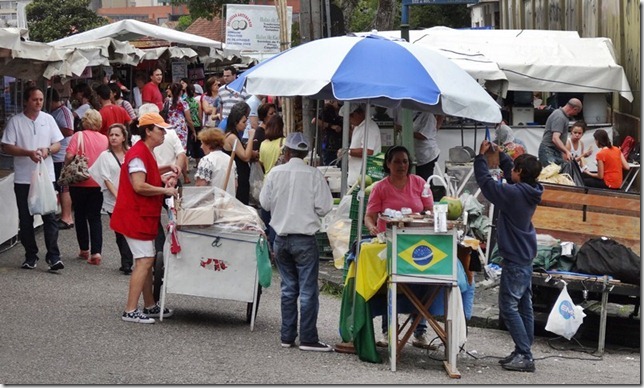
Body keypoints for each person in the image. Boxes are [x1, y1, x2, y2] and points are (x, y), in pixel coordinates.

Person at [259, 131, 334, 351]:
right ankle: (308, 338)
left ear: (287, 151)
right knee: (308, 289)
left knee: (288, 288)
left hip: (280, 238)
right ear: (304, 153)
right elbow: (325, 207)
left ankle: (287, 336)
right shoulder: (314, 174)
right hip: (304, 238)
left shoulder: (274, 173)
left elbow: (265, 203)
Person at [474, 141, 543, 373]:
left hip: (515, 257)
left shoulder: (514, 194)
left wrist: (481, 158)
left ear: (520, 173)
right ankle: (521, 350)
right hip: (524, 254)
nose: (510, 170)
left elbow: (487, 185)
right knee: (524, 305)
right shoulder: (531, 190)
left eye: (514, 168)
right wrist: (501, 154)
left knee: (508, 306)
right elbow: (509, 172)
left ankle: (525, 354)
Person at [111, 112, 180, 324]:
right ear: (148, 131)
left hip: (140, 214)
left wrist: (166, 169)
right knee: (144, 260)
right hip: (135, 215)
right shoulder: (139, 153)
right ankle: (130, 310)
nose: (164, 133)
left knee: (147, 260)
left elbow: (145, 174)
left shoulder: (144, 151)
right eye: (160, 129)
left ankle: (149, 306)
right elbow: (139, 185)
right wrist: (164, 190)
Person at [364, 145, 434, 347]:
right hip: (390, 242)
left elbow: (430, 211)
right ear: (388, 164)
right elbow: (370, 217)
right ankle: (388, 332)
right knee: (390, 284)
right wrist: (372, 228)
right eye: (397, 161)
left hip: (417, 243)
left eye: (405, 161)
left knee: (421, 282)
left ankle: (419, 332)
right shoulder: (380, 187)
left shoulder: (419, 183)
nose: (402, 165)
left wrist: (422, 217)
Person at [1, 86, 64, 271]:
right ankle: (30, 255)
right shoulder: (16, 121)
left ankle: (54, 256)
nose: (38, 103)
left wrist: (47, 150)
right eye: (35, 99)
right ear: (26, 101)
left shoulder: (48, 119)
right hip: (23, 177)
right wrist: (27, 153)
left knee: (49, 215)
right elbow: (6, 146)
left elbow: (57, 144)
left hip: (46, 175)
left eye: (41, 99)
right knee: (26, 218)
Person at [88, 123, 134, 274]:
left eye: (117, 135)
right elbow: (106, 179)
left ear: (123, 137)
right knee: (120, 230)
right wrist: (118, 196)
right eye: (111, 135)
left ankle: (127, 262)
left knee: (128, 228)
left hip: (131, 197)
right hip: (113, 199)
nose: (113, 138)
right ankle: (126, 260)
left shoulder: (131, 154)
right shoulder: (105, 156)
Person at [65, 109, 108, 265]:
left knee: (80, 215)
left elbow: (69, 155)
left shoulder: (79, 136)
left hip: (79, 181)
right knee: (95, 217)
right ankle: (96, 252)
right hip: (98, 182)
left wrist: (66, 166)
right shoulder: (105, 139)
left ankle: (84, 249)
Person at [47, 87, 75, 230]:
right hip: (56, 156)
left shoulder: (63, 112)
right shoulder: (54, 112)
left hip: (62, 156)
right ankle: (64, 215)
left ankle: (67, 218)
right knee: (60, 187)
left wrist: (52, 129)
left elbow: (69, 130)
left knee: (64, 188)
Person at [223, 102, 256, 205]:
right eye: (243, 122)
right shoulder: (232, 137)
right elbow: (245, 156)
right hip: (239, 177)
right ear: (236, 122)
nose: (246, 125)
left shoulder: (234, 135)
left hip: (241, 176)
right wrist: (251, 138)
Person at [344, 104, 382, 186]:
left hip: (364, 177)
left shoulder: (369, 127)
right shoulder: (358, 126)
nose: (349, 120)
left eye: (350, 117)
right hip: (355, 177)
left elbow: (367, 151)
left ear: (358, 114)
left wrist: (348, 151)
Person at [538, 98, 582, 166]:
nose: (576, 114)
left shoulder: (562, 115)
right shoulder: (560, 117)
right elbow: (555, 138)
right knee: (553, 173)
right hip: (549, 150)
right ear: (575, 109)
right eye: (577, 112)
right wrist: (567, 151)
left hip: (554, 150)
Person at [194, 128, 236, 197]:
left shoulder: (206, 160)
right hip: (229, 202)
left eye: (202, 143)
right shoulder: (231, 160)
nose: (201, 147)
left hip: (213, 203)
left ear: (208, 145)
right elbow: (235, 184)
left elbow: (200, 186)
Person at [413, 111, 444, 181]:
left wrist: (407, 131)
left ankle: (429, 191)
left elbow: (423, 135)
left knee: (425, 181)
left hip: (428, 154)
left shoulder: (428, 115)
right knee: (418, 179)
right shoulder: (411, 114)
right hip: (418, 154)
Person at [312, 99, 343, 166]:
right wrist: (331, 126)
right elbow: (315, 121)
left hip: (340, 143)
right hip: (329, 144)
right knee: (329, 165)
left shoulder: (342, 114)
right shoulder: (327, 110)